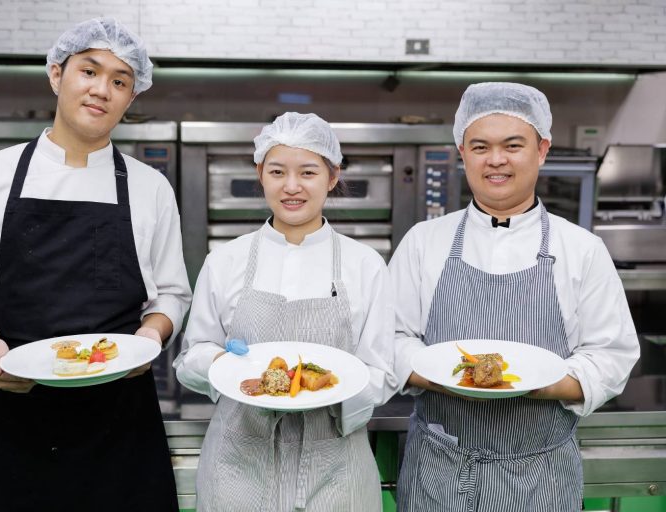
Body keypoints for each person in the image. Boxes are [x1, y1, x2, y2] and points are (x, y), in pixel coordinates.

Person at [0, 18, 191, 512]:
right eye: (89, 71)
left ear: (131, 97)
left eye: (119, 81)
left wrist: (149, 339)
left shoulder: (150, 187)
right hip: (16, 408)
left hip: (121, 418)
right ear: (56, 74)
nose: (102, 90)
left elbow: (172, 293)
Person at [390, 82, 640, 512]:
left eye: (512, 145)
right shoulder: (423, 242)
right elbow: (389, 339)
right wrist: (447, 378)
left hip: (540, 479)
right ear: (462, 153)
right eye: (480, 147)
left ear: (542, 150)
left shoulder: (581, 249)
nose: (496, 160)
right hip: (438, 473)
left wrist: (539, 385)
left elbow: (611, 355)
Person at [174, 112, 397, 511]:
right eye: (277, 171)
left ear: (332, 176)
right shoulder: (225, 260)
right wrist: (223, 363)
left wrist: (331, 389)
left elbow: (380, 371)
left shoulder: (366, 265)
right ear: (260, 174)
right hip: (239, 467)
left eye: (308, 172)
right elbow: (192, 357)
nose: (291, 186)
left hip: (335, 469)